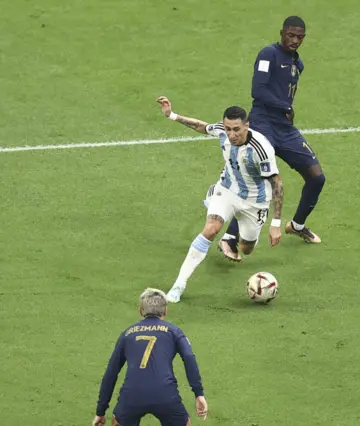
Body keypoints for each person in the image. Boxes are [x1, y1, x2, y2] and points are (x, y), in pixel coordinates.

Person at [156, 96, 284, 302]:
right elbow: (201, 126)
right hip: (227, 190)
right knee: (211, 229)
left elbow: (277, 183)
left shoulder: (261, 148)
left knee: (246, 248)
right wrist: (171, 115)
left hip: (255, 202)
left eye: (236, 129)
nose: (231, 134)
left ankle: (233, 231)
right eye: (227, 129)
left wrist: (276, 223)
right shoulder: (222, 132)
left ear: (246, 126)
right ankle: (178, 286)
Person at [218, 15, 324, 262]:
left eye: (299, 37)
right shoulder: (268, 55)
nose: (295, 40)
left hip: (285, 128)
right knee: (258, 180)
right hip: (264, 122)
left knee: (317, 177)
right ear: (282, 33)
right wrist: (282, 105)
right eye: (291, 35)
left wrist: (285, 112)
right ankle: (230, 239)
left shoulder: (298, 63)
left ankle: (297, 225)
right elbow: (258, 90)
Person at [92, 288, 208, 426]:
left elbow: (111, 373)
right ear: (165, 311)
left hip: (132, 395)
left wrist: (100, 411)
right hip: (165, 394)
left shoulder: (127, 334)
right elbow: (189, 357)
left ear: (141, 311)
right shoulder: (174, 331)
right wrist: (198, 393)